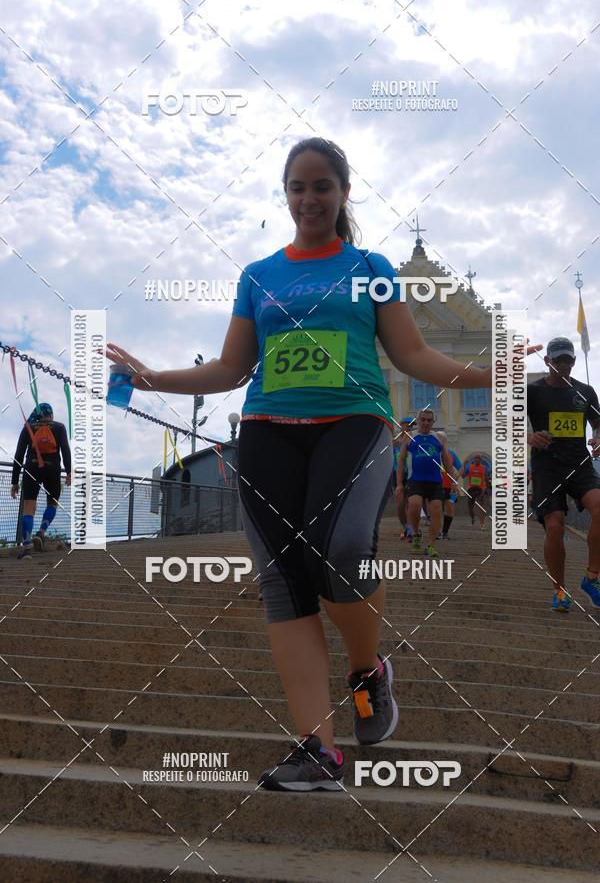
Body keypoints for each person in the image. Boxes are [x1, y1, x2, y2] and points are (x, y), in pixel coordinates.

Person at [105, 137, 502, 794]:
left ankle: (368, 669)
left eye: (322, 186)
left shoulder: (372, 266)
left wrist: (490, 374)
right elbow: (230, 368)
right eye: (297, 187)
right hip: (266, 429)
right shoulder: (259, 274)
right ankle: (318, 750)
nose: (309, 197)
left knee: (343, 547)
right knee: (283, 582)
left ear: (343, 194)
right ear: (285, 195)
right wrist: (150, 378)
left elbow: (413, 355)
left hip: (355, 421)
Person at [527, 337, 600, 612]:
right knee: (555, 526)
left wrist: (597, 438)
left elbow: (597, 423)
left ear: (573, 361)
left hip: (579, 463)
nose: (564, 365)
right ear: (547, 361)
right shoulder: (532, 391)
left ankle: (592, 578)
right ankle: (559, 590)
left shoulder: (586, 391)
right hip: (547, 466)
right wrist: (529, 436)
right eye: (558, 360)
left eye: (568, 360)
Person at [10, 403, 71, 559]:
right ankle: (41, 533)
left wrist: (14, 481)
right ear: (50, 414)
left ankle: (27, 547)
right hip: (52, 470)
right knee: (52, 503)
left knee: (29, 507)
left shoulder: (29, 427)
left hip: (32, 468)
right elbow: (65, 450)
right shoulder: (59, 427)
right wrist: (69, 473)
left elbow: (18, 455)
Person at [396, 409, 453, 558]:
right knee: (414, 505)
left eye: (429, 420)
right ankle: (415, 535)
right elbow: (401, 461)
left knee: (436, 511)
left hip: (435, 481)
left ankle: (431, 545)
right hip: (416, 479)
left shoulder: (439, 438)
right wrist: (399, 484)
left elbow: (446, 460)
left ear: (433, 422)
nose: (426, 422)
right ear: (418, 420)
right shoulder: (410, 437)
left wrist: (452, 482)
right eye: (423, 419)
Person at [394, 416, 415, 539]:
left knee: (410, 503)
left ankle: (411, 529)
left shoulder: (414, 439)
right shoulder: (395, 440)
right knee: (400, 504)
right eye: (407, 425)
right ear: (401, 425)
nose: (410, 427)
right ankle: (405, 527)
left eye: (412, 425)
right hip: (397, 474)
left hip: (411, 474)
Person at [439, 442, 462, 540]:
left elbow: (461, 467)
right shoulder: (434, 452)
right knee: (437, 509)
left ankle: (445, 532)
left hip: (450, 486)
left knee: (449, 509)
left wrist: (456, 477)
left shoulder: (451, 453)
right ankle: (437, 532)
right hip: (436, 485)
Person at [462, 453, 490, 531]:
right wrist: (464, 464)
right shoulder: (469, 467)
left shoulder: (484, 468)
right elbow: (463, 476)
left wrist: (487, 487)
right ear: (474, 459)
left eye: (478, 458)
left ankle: (482, 524)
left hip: (480, 489)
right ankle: (472, 519)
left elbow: (486, 479)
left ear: (480, 460)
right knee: (470, 508)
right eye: (476, 458)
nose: (477, 459)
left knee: (481, 506)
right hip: (471, 489)